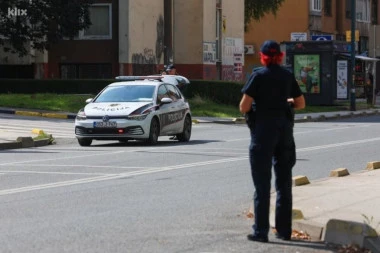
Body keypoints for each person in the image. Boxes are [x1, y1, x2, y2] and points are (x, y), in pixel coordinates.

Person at [239, 40, 305, 243]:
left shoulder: (258, 75)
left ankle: (261, 231)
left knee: (262, 184)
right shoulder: (287, 75)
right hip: (284, 133)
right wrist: (286, 101)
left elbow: (244, 106)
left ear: (263, 56)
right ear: (280, 57)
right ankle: (284, 231)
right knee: (284, 183)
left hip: (262, 134)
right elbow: (301, 103)